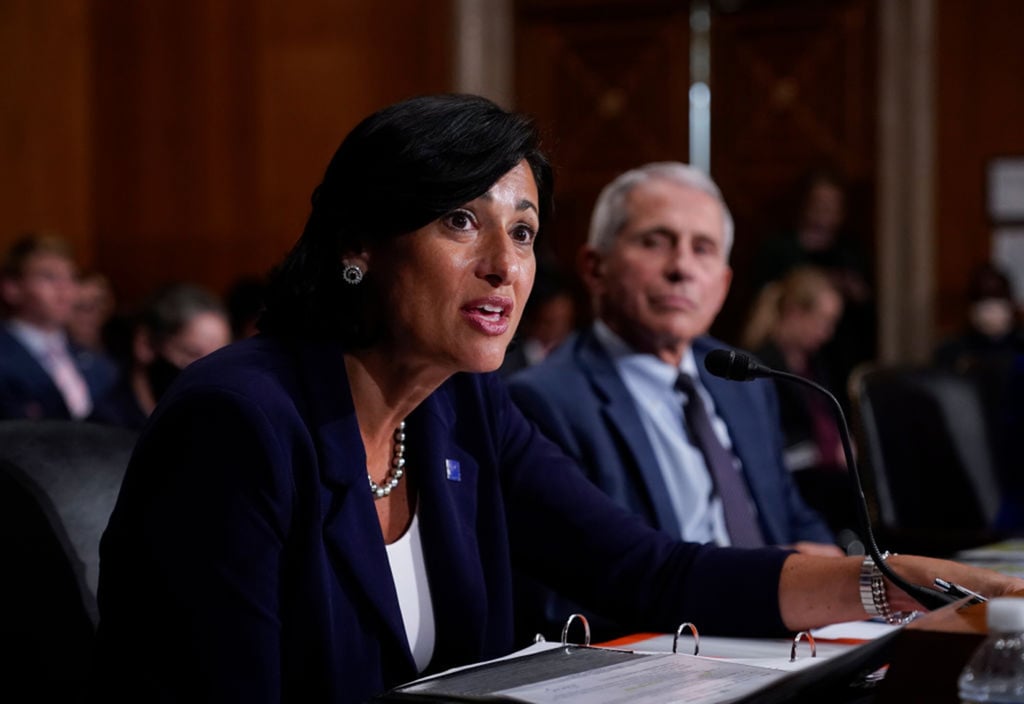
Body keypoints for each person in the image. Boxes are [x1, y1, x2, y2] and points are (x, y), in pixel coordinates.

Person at [92, 95, 1024, 703]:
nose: (504, 266)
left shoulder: (464, 409)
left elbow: (651, 573)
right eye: (461, 220)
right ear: (359, 243)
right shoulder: (240, 422)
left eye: (524, 231)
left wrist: (909, 583)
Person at [741, 265, 854, 535]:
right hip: (796, 487)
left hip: (826, 484)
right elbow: (768, 446)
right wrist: (826, 451)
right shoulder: (759, 366)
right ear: (794, 313)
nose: (827, 333)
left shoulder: (817, 363)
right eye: (823, 321)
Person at [753, 169, 876, 404]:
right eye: (819, 203)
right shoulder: (779, 249)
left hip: (837, 360)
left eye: (833, 205)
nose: (824, 211)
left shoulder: (849, 253)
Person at [0, 232, 117, 420]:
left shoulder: (96, 362)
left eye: (72, 277)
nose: (65, 288)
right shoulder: (5, 356)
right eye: (49, 277)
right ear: (12, 288)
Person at [90, 282, 232, 430]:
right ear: (146, 344)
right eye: (193, 354)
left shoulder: (211, 427)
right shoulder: (105, 425)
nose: (209, 371)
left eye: (218, 359)